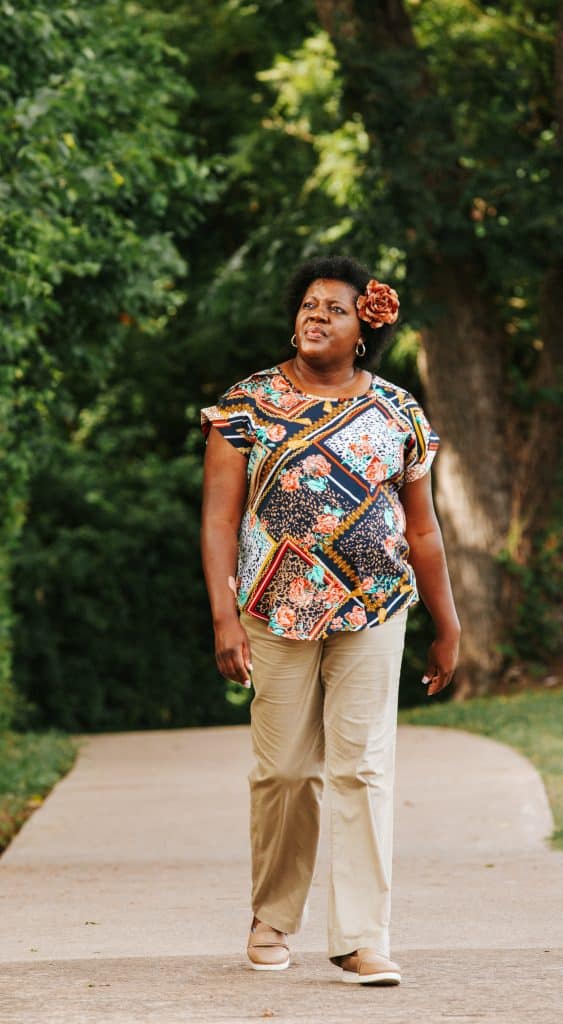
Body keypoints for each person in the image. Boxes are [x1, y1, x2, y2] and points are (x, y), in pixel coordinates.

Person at [200, 254, 460, 986]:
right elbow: (219, 518)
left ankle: (360, 938)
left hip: (374, 605)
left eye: (333, 308)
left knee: (364, 767)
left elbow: (423, 530)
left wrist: (448, 623)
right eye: (308, 304)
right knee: (283, 770)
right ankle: (272, 915)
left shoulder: (397, 411)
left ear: (362, 329)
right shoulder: (246, 404)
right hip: (274, 609)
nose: (315, 315)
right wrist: (223, 614)